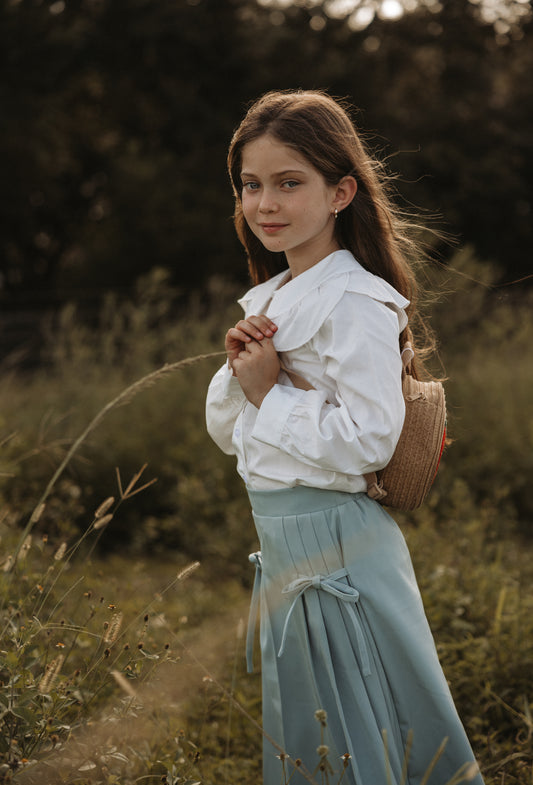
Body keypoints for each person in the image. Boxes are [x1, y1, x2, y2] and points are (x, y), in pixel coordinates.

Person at [205, 90, 483, 785]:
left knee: (370, 722)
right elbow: (238, 440)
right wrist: (242, 373)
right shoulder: (273, 297)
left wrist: (268, 390)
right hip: (286, 540)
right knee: (317, 732)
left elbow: (367, 440)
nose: (265, 203)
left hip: (338, 545)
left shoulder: (354, 300)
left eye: (288, 182)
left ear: (341, 192)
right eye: (251, 184)